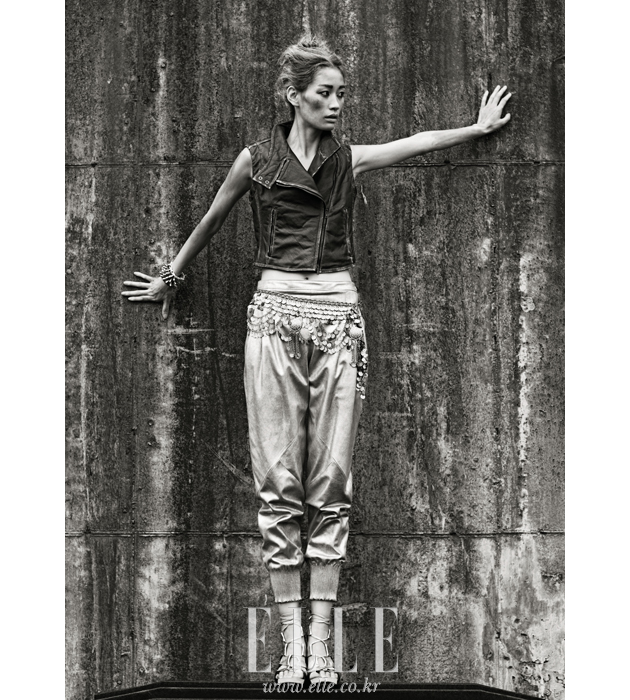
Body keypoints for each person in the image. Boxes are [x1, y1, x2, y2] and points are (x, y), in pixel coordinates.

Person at [122, 35, 511, 689]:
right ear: (293, 96)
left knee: (331, 482)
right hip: (273, 319)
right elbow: (213, 218)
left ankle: (322, 646)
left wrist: (475, 129)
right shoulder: (257, 160)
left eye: (341, 94)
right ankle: (291, 647)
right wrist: (170, 277)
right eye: (325, 93)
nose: (337, 104)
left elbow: (414, 143)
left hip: (338, 321)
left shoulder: (348, 159)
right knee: (277, 484)